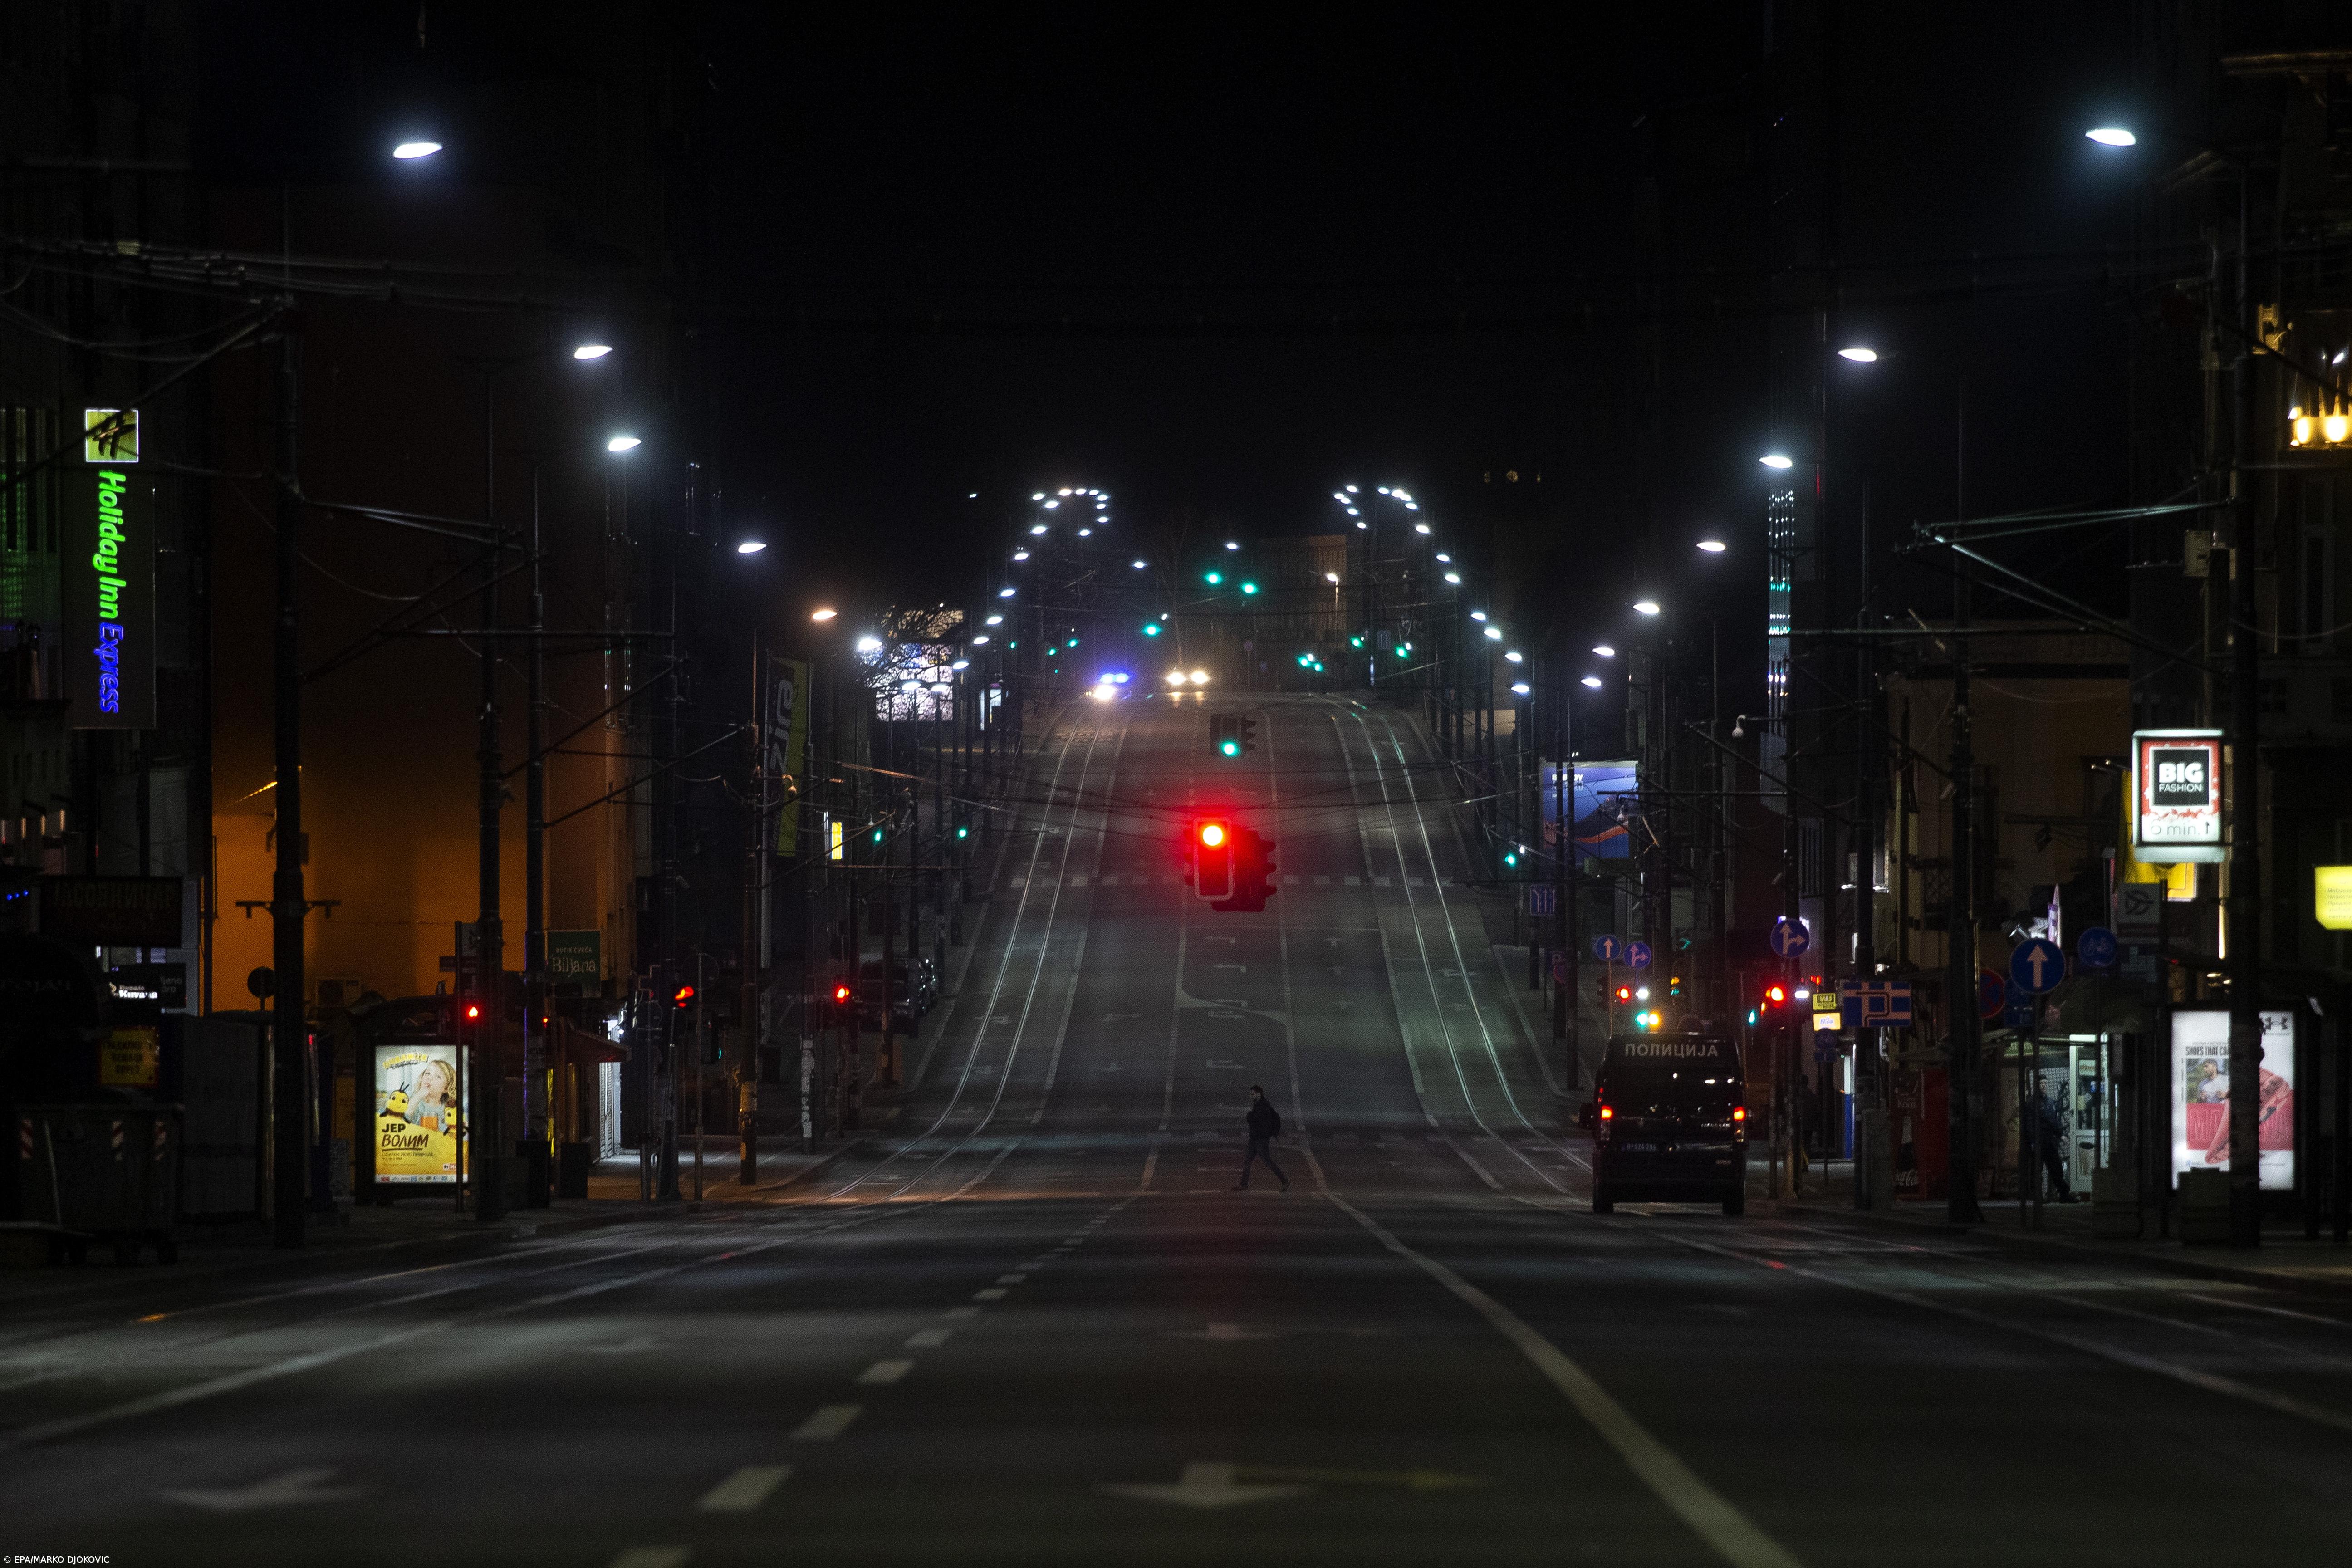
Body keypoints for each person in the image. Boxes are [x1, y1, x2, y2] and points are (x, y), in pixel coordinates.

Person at [1237, 1085, 1288, 1192]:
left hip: (1261, 1139)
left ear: (1259, 1094)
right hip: (1255, 1138)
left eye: (1253, 1094)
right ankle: (1244, 1184)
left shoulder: (1263, 1106)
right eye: (1251, 1094)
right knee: (1248, 1161)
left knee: (1267, 1161)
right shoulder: (1259, 1105)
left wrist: (1250, 1115)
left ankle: (1285, 1181)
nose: (1251, 1096)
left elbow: (1256, 1119)